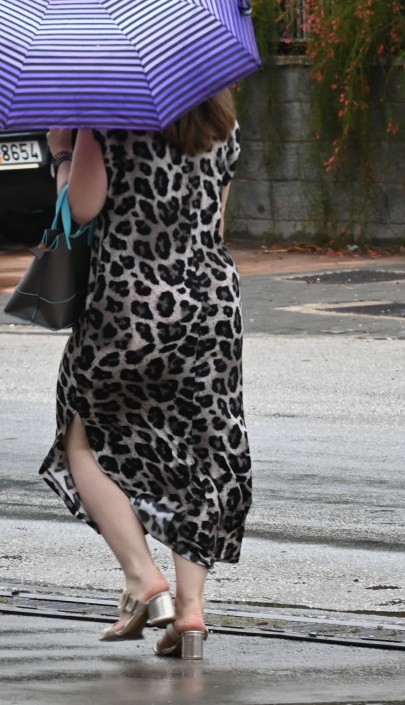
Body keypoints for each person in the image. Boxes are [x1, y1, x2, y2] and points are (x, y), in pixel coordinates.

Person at [38, 88, 252, 661]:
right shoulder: (224, 124)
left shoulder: (105, 118)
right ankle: (191, 613)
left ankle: (142, 578)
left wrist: (63, 153)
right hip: (212, 303)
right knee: (201, 450)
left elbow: (81, 208)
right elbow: (216, 220)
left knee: (81, 432)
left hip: (130, 302)